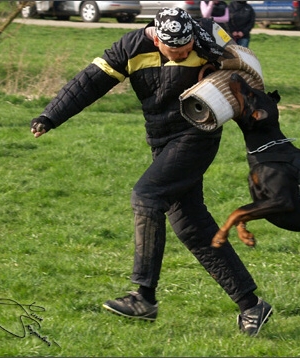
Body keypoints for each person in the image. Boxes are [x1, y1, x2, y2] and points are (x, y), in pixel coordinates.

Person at [29, 7, 272, 336]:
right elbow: (88, 83)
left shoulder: (206, 35)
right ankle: (251, 305)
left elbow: (248, 65)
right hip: (161, 142)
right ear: (157, 39)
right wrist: (50, 116)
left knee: (146, 196)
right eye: (177, 51)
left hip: (197, 135)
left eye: (188, 49)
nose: (184, 54)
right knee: (191, 226)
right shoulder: (129, 49)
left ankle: (143, 297)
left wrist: (224, 67)